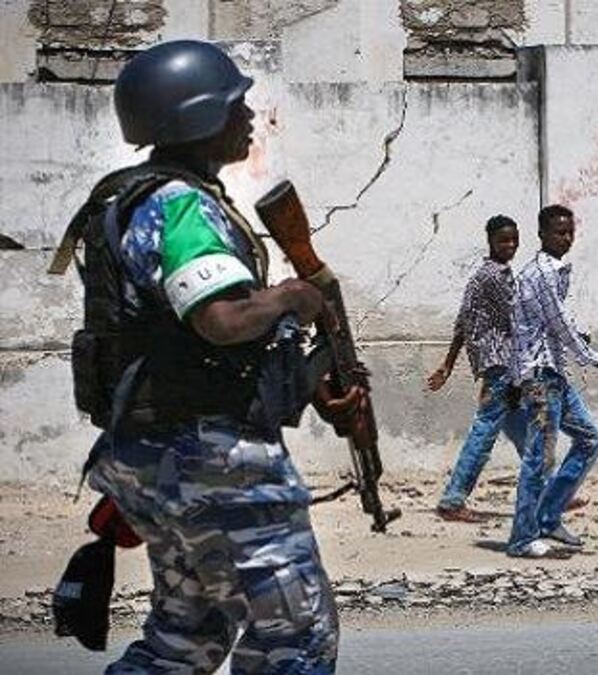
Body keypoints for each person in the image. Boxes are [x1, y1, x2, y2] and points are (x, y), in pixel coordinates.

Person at [60, 40, 354, 673]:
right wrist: (291, 297)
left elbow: (172, 338)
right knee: (297, 635)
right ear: (193, 117)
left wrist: (309, 378)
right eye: (234, 105)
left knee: (188, 632)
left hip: (148, 454)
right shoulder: (182, 205)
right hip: (215, 461)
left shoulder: (127, 200)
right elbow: (221, 321)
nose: (248, 116)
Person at [506, 205, 598, 558]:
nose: (566, 238)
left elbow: (550, 324)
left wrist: (579, 336)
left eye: (570, 231)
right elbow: (558, 323)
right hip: (540, 377)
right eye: (559, 232)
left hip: (553, 373)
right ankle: (522, 537)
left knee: (590, 439)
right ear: (542, 234)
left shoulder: (553, 271)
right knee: (538, 459)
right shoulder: (543, 272)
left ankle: (547, 517)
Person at [427, 215, 528, 522]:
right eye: (503, 240)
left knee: (527, 432)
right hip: (502, 366)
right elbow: (523, 316)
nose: (509, 245)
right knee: (484, 433)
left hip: (498, 365)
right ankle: (453, 499)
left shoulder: (480, 277)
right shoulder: (496, 277)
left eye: (513, 240)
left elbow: (462, 323)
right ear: (491, 242)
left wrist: (448, 364)